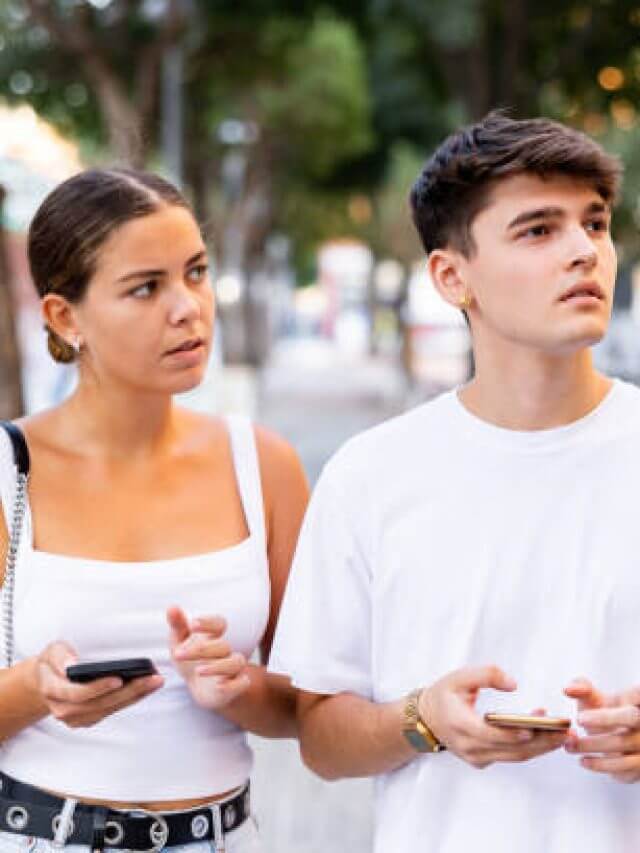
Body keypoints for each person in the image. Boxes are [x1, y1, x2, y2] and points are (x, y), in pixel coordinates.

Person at [268, 112, 640, 852]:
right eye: (538, 230)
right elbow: (320, 735)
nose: (583, 252)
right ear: (450, 275)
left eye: (593, 225)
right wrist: (423, 720)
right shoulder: (372, 475)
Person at [0, 168, 308, 853]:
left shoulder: (263, 466)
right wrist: (34, 688)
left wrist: (239, 687)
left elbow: (313, 708)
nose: (188, 307)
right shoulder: (5, 473)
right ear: (64, 317)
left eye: (195, 273)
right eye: (147, 287)